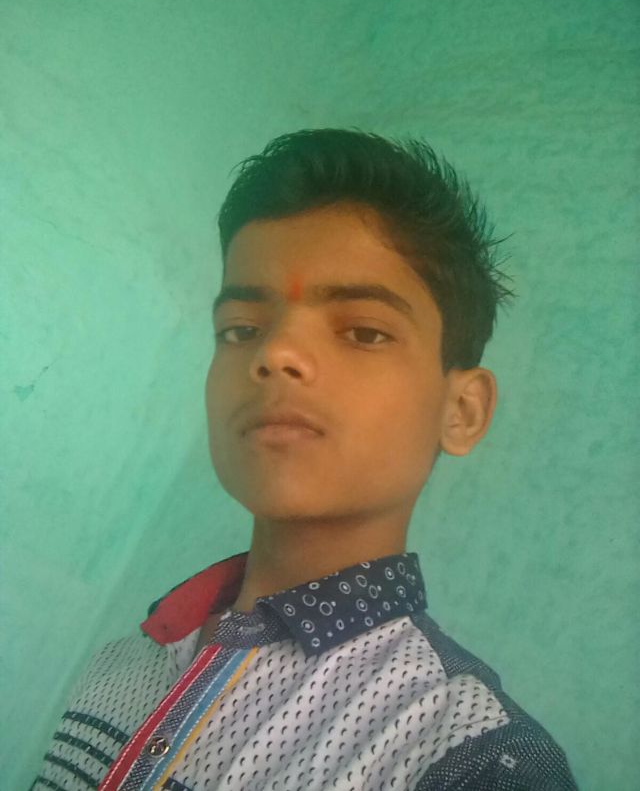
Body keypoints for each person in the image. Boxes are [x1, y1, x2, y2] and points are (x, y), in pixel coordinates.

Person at [31, 128, 578, 789]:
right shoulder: (128, 658)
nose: (275, 353)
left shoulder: (472, 756)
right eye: (241, 329)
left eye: (364, 331)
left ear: (461, 410)